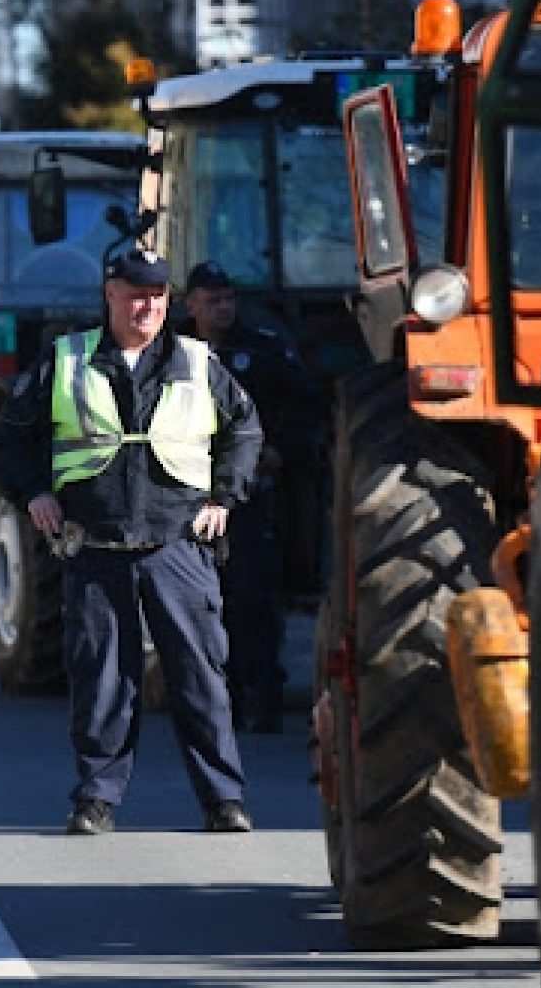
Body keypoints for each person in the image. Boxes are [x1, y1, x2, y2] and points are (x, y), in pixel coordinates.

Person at [0, 247, 263, 836]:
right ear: (110, 295)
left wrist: (224, 497)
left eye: (158, 297)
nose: (147, 307)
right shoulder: (65, 360)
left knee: (199, 675)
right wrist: (34, 491)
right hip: (94, 545)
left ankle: (223, 801)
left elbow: (244, 428)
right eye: (136, 295)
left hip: (177, 545)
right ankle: (96, 800)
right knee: (103, 679)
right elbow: (11, 438)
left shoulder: (196, 360)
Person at [182, 260, 320, 733]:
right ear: (191, 305)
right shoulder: (170, 352)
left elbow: (306, 405)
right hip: (181, 498)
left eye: (228, 300)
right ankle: (210, 699)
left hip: (242, 496)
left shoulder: (259, 350)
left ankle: (260, 697)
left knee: (249, 598)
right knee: (193, 600)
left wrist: (281, 450)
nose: (222, 309)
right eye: (212, 301)